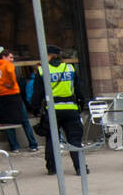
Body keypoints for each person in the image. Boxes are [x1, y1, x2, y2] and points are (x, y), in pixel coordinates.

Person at [25, 45, 87, 175]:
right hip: (70, 108)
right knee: (75, 139)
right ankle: (80, 167)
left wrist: (35, 109)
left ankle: (52, 168)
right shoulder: (70, 68)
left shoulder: (43, 71)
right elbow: (79, 89)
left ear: (49, 56)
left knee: (52, 139)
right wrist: (82, 103)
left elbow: (37, 93)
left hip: (53, 110)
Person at [0, 48, 38, 154]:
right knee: (24, 120)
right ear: (3, 57)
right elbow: (11, 73)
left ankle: (14, 146)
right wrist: (11, 83)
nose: (12, 59)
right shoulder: (8, 66)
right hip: (13, 95)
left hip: (1, 98)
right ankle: (33, 144)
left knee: (7, 123)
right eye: (10, 57)